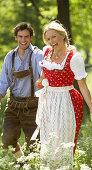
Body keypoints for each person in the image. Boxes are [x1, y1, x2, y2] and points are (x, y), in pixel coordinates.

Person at [32, 21, 92, 165]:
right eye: (48, 38)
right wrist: (40, 81)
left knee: (63, 141)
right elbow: (45, 74)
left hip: (67, 100)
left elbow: (83, 86)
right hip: (49, 100)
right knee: (49, 140)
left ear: (63, 35)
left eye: (54, 37)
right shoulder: (47, 52)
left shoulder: (73, 58)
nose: (51, 41)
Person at [0, 22, 43, 159]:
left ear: (31, 37)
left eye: (26, 37)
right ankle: (23, 162)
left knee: (34, 145)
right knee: (7, 141)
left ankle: (33, 167)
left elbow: (45, 74)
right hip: (13, 105)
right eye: (20, 36)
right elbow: (3, 80)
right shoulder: (10, 56)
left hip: (32, 107)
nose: (23, 40)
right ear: (16, 38)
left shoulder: (38, 55)